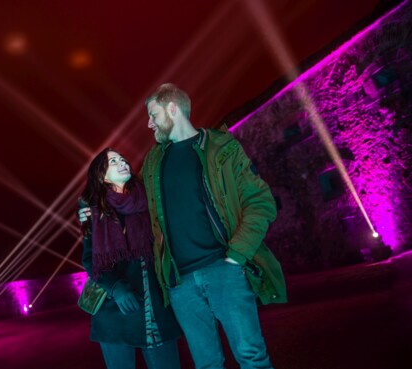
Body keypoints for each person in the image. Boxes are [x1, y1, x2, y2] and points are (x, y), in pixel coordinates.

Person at [80, 83, 287, 369]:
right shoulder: (154, 161)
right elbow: (126, 200)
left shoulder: (220, 147)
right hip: (180, 284)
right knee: (207, 364)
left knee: (251, 356)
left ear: (172, 109)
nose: (149, 124)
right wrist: (93, 210)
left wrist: (237, 254)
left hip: (223, 269)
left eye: (153, 115)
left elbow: (261, 203)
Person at [79, 147, 182, 369]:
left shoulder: (149, 198)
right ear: (102, 175)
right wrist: (115, 286)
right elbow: (90, 259)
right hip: (116, 307)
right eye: (113, 161)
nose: (122, 162)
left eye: (123, 159)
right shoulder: (94, 210)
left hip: (154, 304)